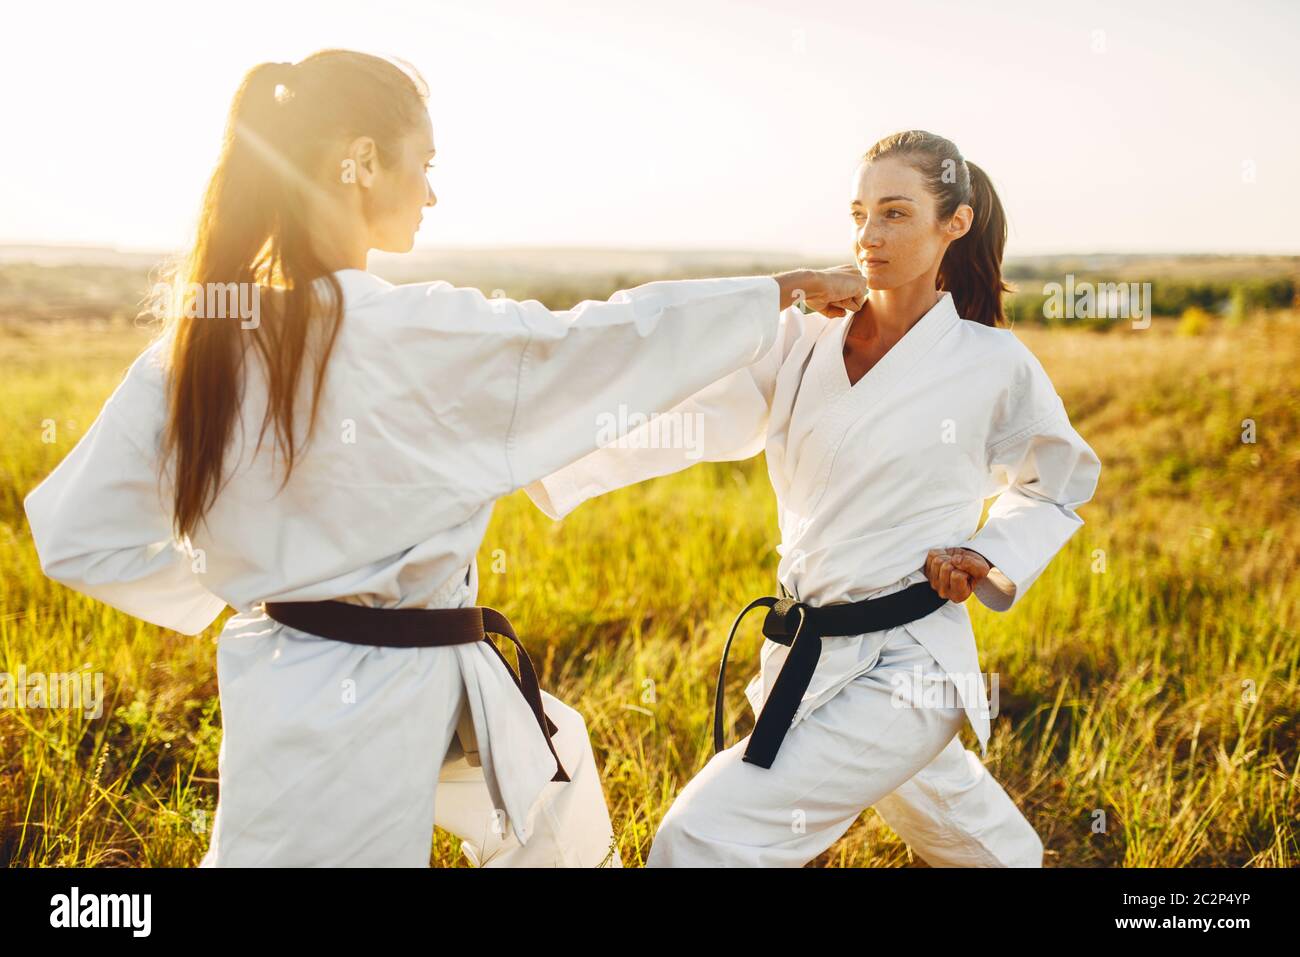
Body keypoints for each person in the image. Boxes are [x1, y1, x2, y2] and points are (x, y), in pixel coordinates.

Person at [22, 49, 869, 867]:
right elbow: (597, 344)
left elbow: (76, 539)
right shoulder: (422, 328)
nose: (431, 190)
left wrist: (265, 572)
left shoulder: (193, 346)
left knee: (555, 808)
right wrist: (776, 295)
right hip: (373, 699)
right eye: (422, 162)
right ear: (360, 161)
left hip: (318, 675)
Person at [525, 130, 1102, 867]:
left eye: (895, 213)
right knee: (976, 839)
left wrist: (986, 554)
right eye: (859, 212)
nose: (868, 235)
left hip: (907, 664)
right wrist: (543, 448)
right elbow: (687, 409)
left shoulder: (992, 364)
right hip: (804, 649)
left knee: (702, 836)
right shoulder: (802, 338)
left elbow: (1056, 486)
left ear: (953, 223)